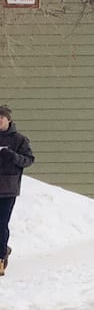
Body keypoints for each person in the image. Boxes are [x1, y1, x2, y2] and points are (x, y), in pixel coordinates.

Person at [0, 105, 36, 276]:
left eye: (1, 118)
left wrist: (12, 156)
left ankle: (1, 258)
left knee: (1, 224)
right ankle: (4, 248)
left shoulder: (19, 140)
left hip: (8, 188)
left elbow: (28, 160)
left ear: (8, 120)